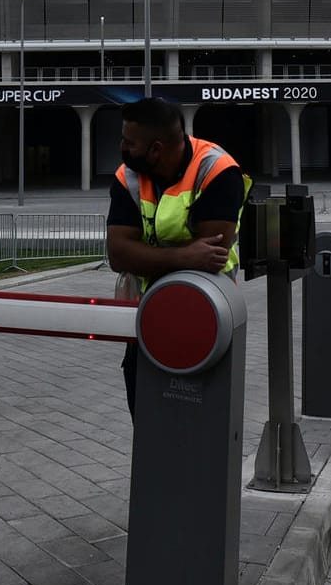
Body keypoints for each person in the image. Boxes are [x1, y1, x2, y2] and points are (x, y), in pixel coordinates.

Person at [105, 98, 250, 415]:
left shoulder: (217, 171)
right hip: (148, 317)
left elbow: (210, 255)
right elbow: (117, 253)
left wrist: (144, 255)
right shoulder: (128, 176)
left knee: (202, 431)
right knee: (147, 425)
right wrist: (185, 256)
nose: (122, 149)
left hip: (208, 317)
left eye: (129, 143)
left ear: (155, 150)